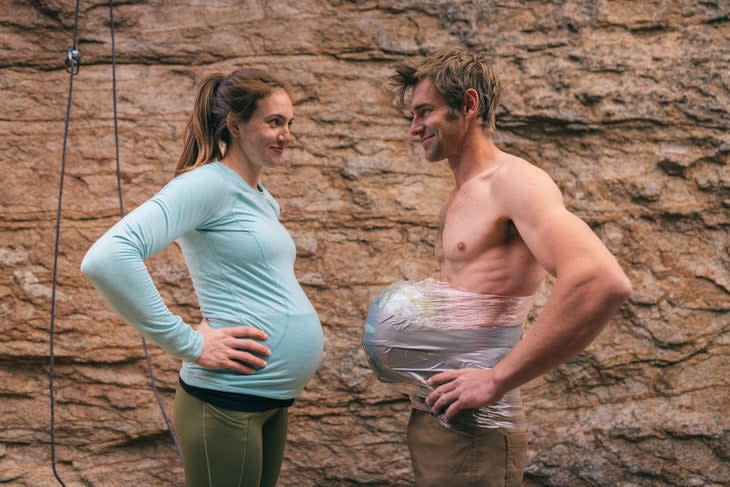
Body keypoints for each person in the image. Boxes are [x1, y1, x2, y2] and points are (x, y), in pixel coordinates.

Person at [384, 47, 632, 487]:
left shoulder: (514, 182)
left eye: (425, 112)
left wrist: (496, 380)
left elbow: (601, 281)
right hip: (439, 416)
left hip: (478, 427)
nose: (414, 128)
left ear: (469, 105)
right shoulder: (460, 195)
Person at [80, 68, 324, 487]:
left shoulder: (264, 200)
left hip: (268, 398)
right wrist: (189, 343)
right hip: (226, 400)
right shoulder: (208, 183)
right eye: (273, 122)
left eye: (289, 123)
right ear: (235, 124)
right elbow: (107, 257)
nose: (286, 134)